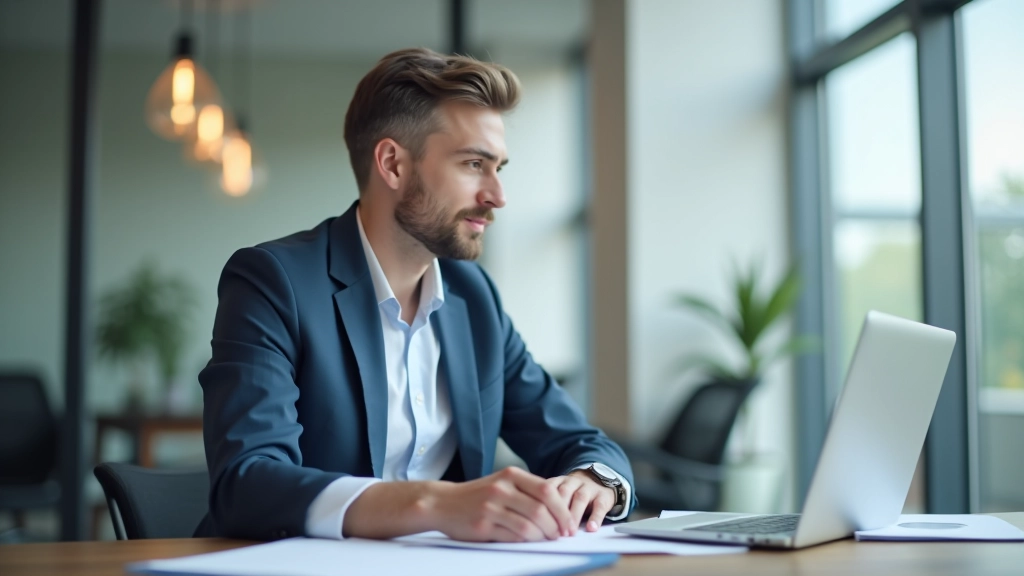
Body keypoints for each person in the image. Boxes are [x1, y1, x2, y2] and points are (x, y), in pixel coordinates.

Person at [194, 48, 635, 543]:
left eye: (500, 168)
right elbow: (247, 482)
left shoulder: (475, 299)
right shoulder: (273, 282)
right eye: (474, 164)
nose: (497, 195)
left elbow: (579, 441)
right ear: (393, 164)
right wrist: (435, 503)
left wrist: (591, 482)